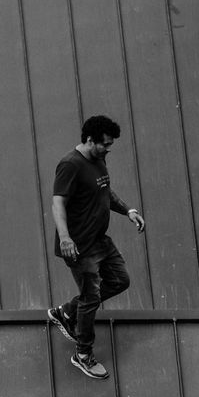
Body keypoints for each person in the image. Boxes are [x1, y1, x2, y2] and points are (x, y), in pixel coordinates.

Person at [47, 114, 145, 380]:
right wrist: (65, 238)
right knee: (91, 298)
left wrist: (128, 210)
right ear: (90, 140)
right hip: (79, 247)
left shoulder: (99, 159)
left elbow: (104, 190)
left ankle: (67, 311)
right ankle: (83, 354)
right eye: (104, 144)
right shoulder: (70, 165)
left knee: (120, 280)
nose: (108, 149)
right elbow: (58, 204)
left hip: (100, 240)